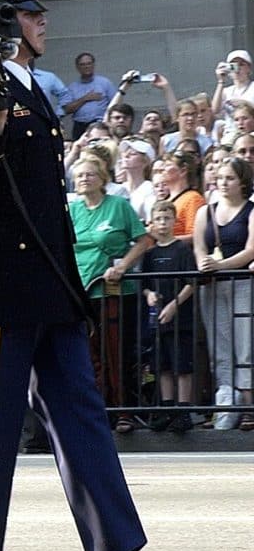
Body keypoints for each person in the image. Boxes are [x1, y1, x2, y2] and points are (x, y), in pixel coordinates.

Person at [0, 0, 192, 551]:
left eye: (38, 12)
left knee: (82, 412)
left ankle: (115, 550)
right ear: (5, 23)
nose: (42, 20)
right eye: (29, 14)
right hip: (5, 280)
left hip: (50, 280)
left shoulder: (30, 87)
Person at [69, 154, 154, 433]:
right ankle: (97, 412)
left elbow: (144, 240)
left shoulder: (118, 206)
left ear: (102, 178)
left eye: (89, 174)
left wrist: (123, 266)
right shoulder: (72, 210)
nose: (84, 179)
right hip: (81, 292)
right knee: (88, 356)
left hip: (112, 292)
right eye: (79, 175)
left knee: (116, 353)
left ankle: (123, 411)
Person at [193, 158, 254, 431]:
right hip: (212, 285)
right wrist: (204, 263)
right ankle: (225, 408)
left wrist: (221, 265)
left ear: (242, 181)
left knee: (245, 345)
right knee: (219, 346)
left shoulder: (250, 211)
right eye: (220, 178)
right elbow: (198, 247)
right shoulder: (206, 212)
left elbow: (251, 250)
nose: (223, 183)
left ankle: (249, 404)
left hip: (242, 283)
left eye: (229, 178)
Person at [140, 200, 196, 434]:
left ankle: (183, 411)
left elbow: (191, 282)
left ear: (175, 221)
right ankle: (167, 408)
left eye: (167, 218)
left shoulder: (182, 250)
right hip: (157, 318)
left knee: (181, 364)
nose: (163, 224)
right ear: (152, 222)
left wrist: (175, 304)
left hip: (179, 317)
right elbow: (144, 283)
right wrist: (149, 294)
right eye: (158, 219)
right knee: (161, 365)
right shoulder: (150, 254)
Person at [65, 52, 117, 139]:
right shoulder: (72, 87)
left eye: (89, 63)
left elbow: (115, 105)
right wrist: (85, 98)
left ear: (93, 65)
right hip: (79, 126)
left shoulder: (105, 83)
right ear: (77, 67)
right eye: (82, 64)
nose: (86, 66)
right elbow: (67, 109)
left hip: (99, 125)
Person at [211, 49, 254, 117]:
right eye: (233, 66)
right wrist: (221, 81)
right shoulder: (226, 91)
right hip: (230, 127)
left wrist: (245, 104)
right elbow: (215, 111)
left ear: (249, 68)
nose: (238, 68)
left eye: (241, 65)